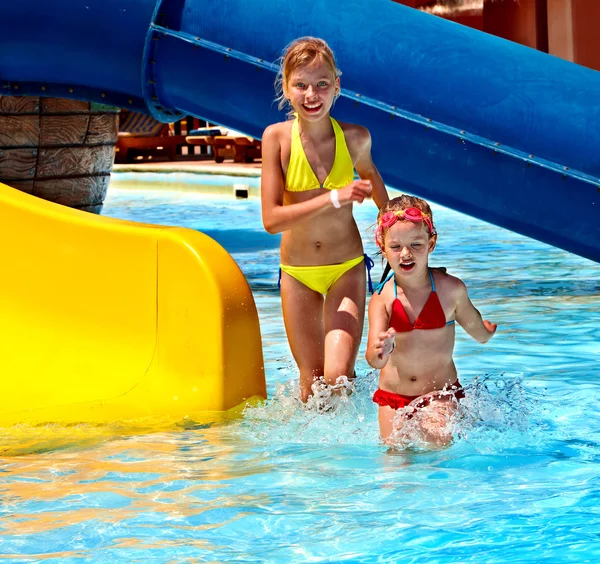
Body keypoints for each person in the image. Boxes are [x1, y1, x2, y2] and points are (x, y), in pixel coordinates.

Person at [261, 37, 389, 402]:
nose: (311, 94)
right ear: (286, 88)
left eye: (321, 84)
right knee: (312, 382)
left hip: (344, 268)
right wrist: (333, 196)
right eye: (300, 85)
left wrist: (406, 245)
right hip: (297, 272)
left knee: (337, 378)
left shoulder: (355, 139)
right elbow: (271, 220)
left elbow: (384, 203)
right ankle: (316, 460)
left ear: (337, 86)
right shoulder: (277, 139)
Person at [366, 195, 497, 446]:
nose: (405, 253)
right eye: (396, 247)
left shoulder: (451, 290)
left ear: (431, 243)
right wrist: (381, 351)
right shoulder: (381, 299)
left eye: (416, 244)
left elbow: (477, 332)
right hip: (393, 397)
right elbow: (373, 359)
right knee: (395, 458)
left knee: (437, 445)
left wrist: (486, 331)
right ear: (382, 247)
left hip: (440, 393)